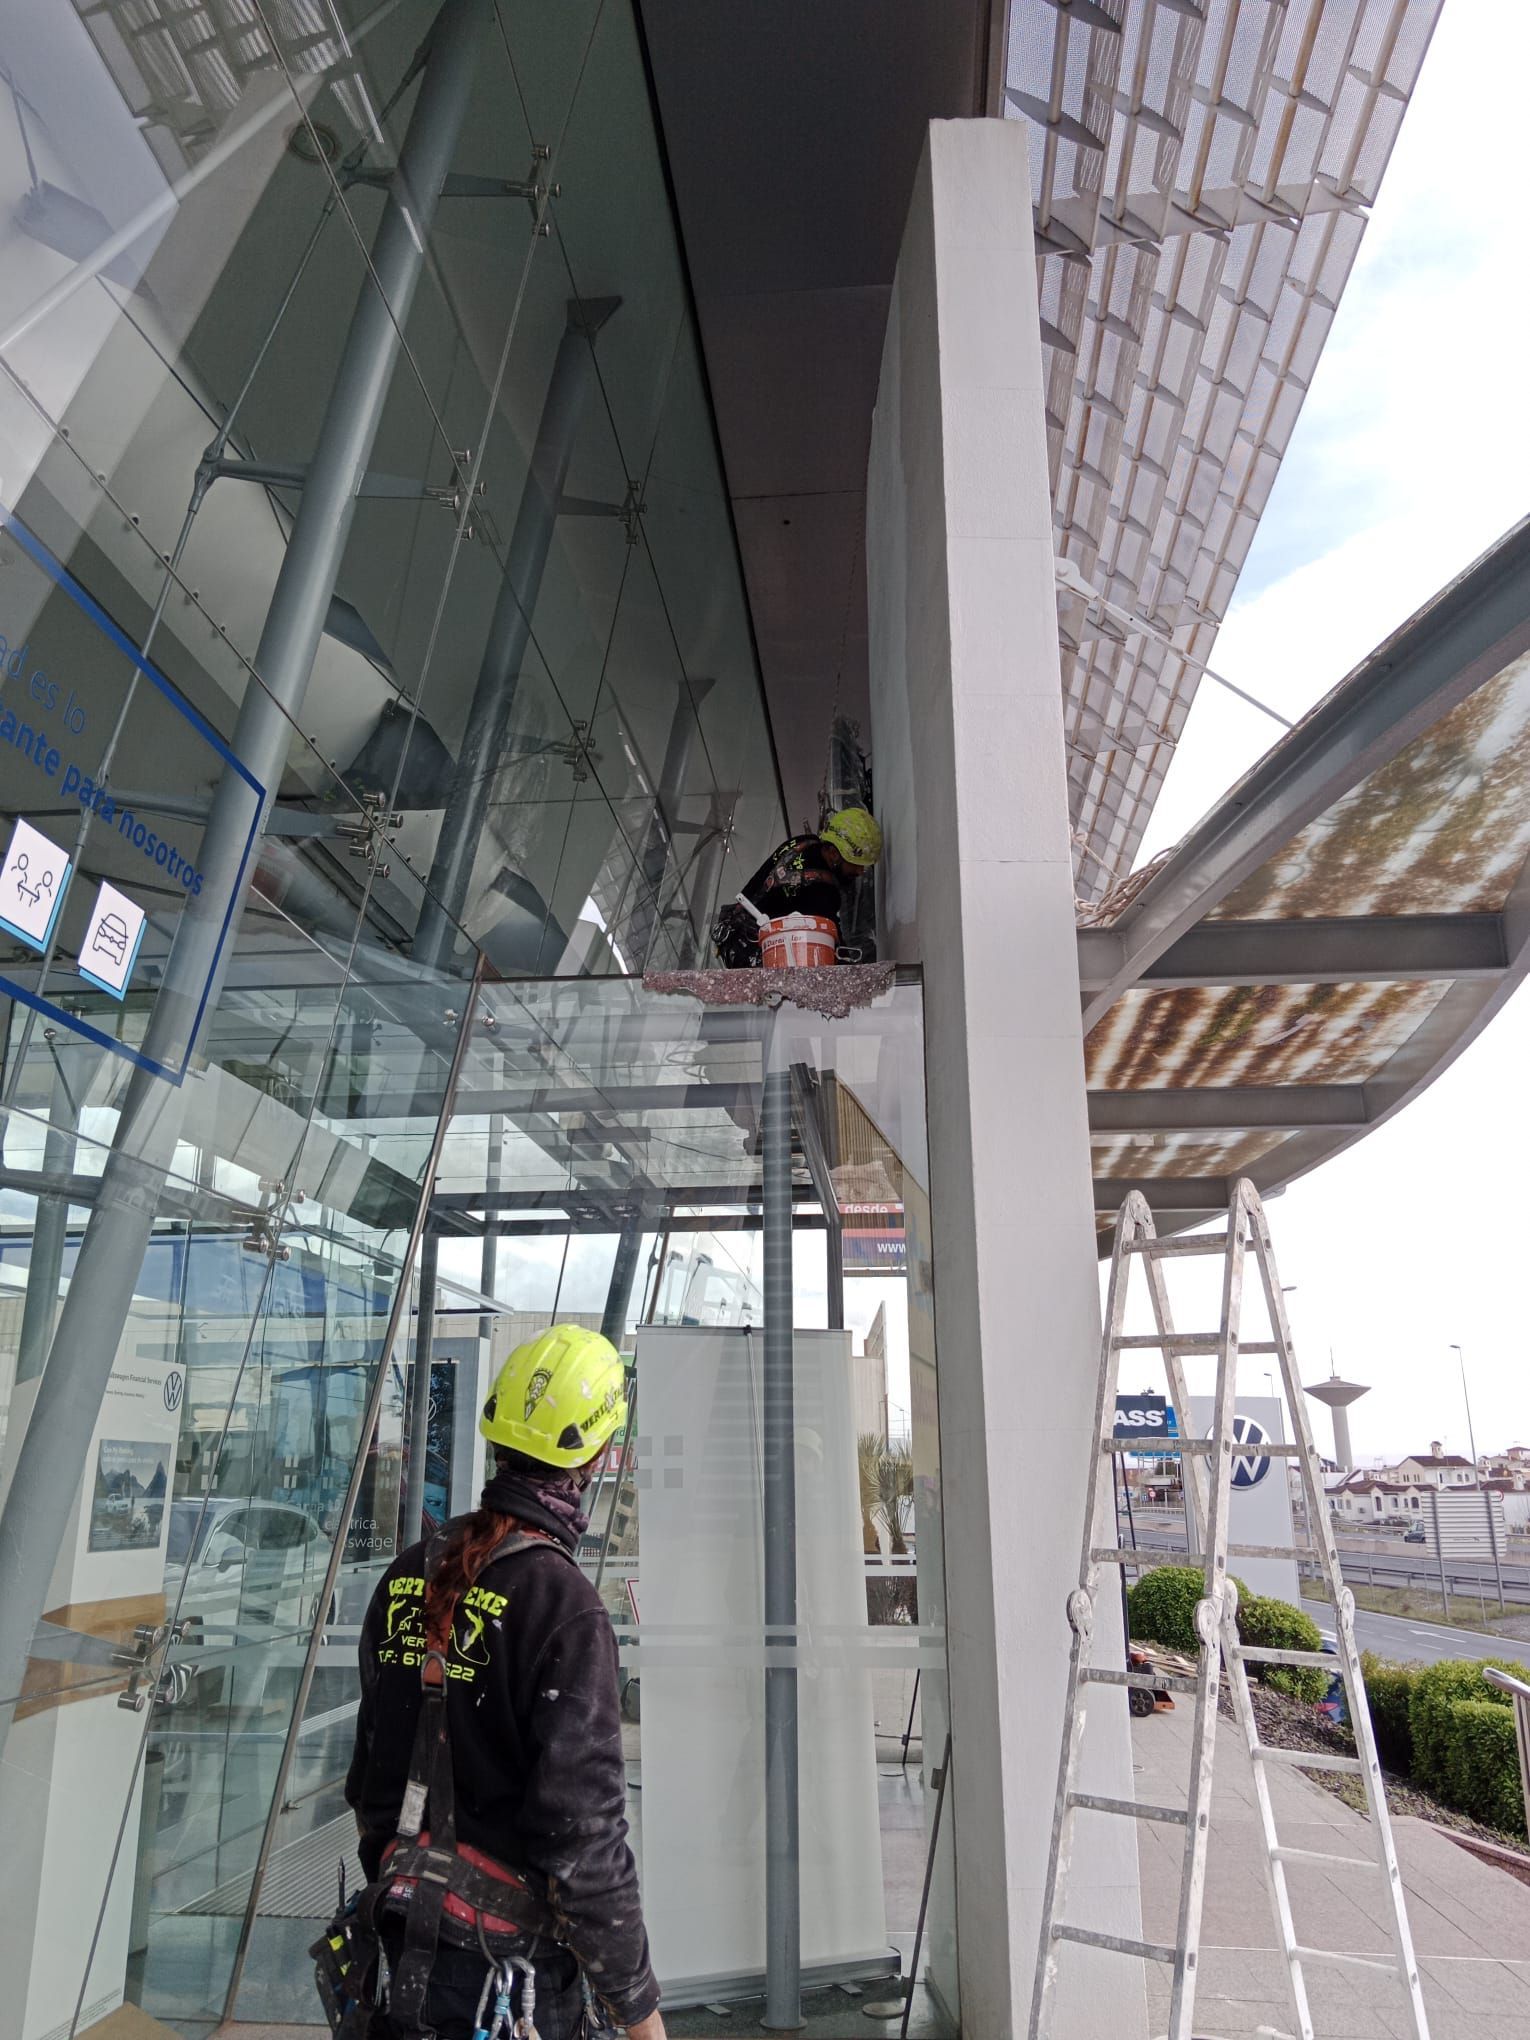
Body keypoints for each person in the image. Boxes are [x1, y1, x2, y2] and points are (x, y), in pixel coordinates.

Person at [345, 1325, 664, 2040]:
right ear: (599, 1455)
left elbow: (372, 1784)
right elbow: (581, 1843)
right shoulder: (563, 1607)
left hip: (395, 1956)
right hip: (501, 1986)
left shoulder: (408, 1573)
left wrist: (404, 1886)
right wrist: (640, 2013)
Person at [712, 805, 883, 967]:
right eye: (856, 864)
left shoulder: (805, 842)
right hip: (750, 950)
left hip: (733, 930)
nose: (860, 871)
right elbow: (832, 943)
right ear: (833, 853)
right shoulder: (822, 893)